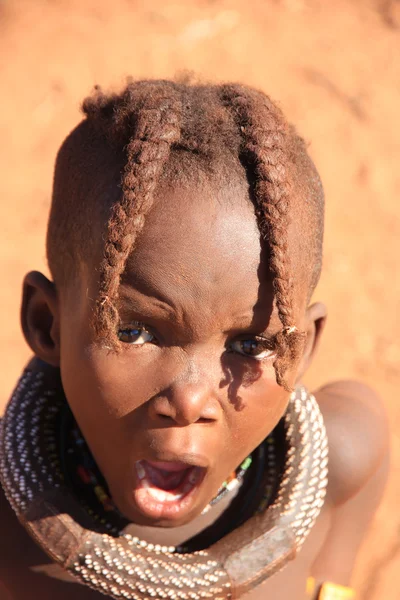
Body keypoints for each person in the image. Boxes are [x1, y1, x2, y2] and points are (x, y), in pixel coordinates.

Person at [0, 79, 389, 600]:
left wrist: (332, 581)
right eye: (133, 331)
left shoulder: (340, 458)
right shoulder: (9, 525)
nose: (189, 400)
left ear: (305, 350)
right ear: (47, 323)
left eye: (251, 344)